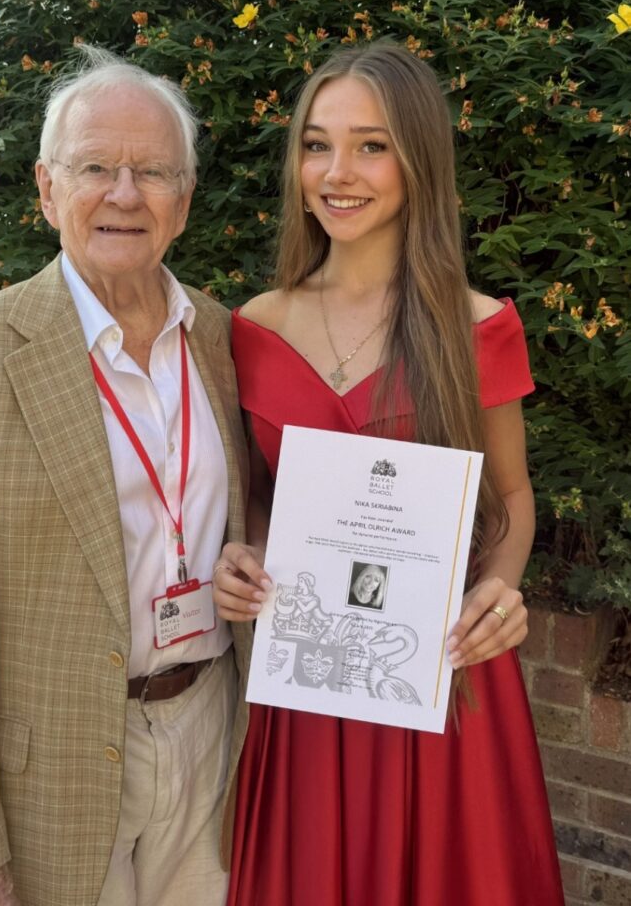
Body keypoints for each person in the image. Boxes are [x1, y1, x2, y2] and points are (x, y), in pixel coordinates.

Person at [0, 47, 251, 906]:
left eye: (152, 171)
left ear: (184, 202)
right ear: (48, 190)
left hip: (213, 739)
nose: (125, 194)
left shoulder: (229, 344)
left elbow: (258, 518)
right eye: (95, 168)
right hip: (52, 778)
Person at [212, 44, 564, 905]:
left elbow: (511, 497)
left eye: (370, 145)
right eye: (315, 144)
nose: (337, 172)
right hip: (308, 685)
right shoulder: (251, 327)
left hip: (437, 677)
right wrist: (240, 555)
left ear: (417, 160)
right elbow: (260, 493)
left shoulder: (477, 328)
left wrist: (501, 589)